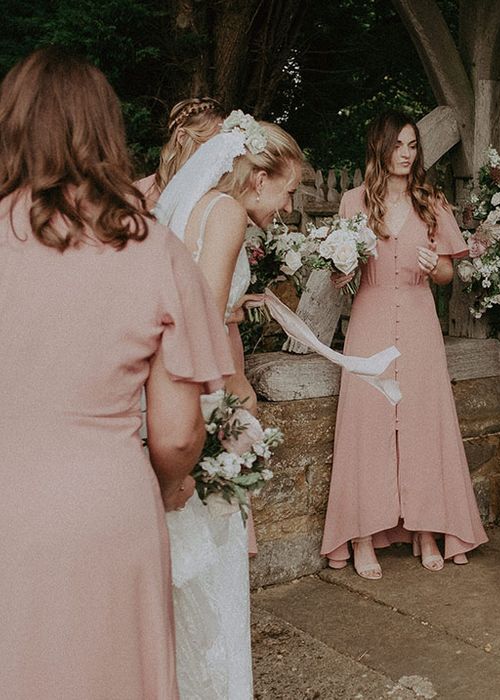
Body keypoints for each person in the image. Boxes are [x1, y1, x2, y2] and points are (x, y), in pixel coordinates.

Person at [0, 48, 233, 699]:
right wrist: (167, 486)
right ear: (106, 132)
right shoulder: (151, 248)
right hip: (107, 509)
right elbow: (178, 433)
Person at [155, 109, 303, 698]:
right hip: (206, 395)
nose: (288, 207)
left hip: (177, 388)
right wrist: (240, 395)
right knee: (214, 560)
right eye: (288, 191)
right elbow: (204, 321)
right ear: (257, 176)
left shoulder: (196, 206)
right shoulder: (230, 214)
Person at [320, 110, 488, 579]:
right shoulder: (354, 202)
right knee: (368, 424)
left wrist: (436, 266)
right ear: (380, 147)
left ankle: (429, 528)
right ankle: (361, 537)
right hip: (369, 321)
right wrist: (342, 268)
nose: (406, 154)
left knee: (421, 421)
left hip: (418, 322)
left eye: (413, 145)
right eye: (398, 145)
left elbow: (449, 274)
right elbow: (342, 276)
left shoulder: (432, 200)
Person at [135, 97, 225, 210]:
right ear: (182, 138)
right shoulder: (140, 192)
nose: (221, 154)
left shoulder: (221, 194)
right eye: (213, 144)